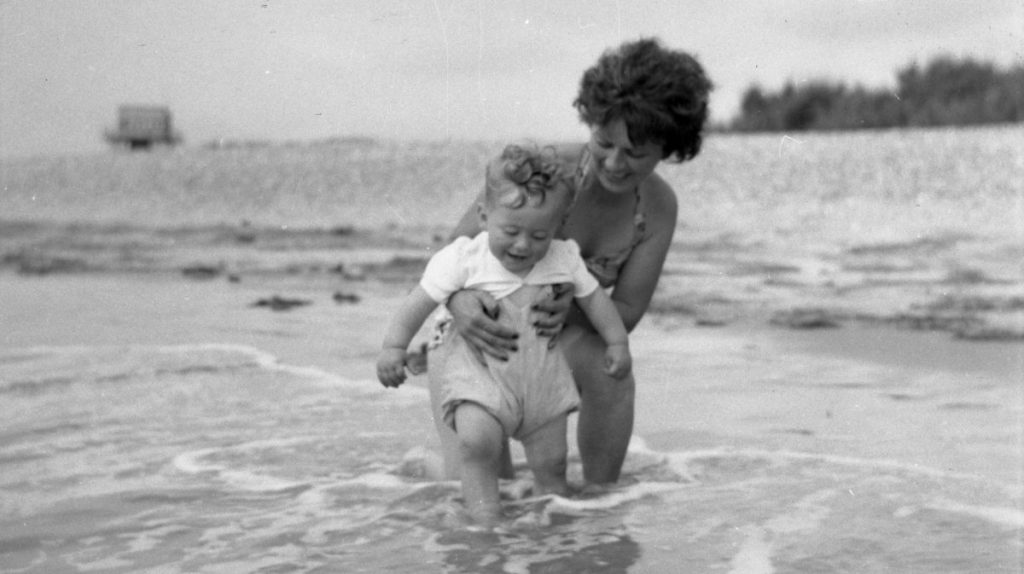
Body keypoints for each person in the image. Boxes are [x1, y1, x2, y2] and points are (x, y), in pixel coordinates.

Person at [439, 37, 713, 487]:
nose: (615, 162)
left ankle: (599, 503)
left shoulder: (659, 207)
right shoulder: (546, 171)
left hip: (557, 335)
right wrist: (462, 306)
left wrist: (572, 309)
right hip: (476, 331)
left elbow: (626, 312)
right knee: (483, 491)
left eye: (636, 152)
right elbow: (452, 251)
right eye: (604, 142)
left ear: (668, 148)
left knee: (613, 369)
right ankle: (422, 472)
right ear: (591, 120)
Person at [376, 143, 632, 524]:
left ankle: (554, 524)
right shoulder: (463, 259)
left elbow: (595, 300)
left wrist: (617, 342)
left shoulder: (562, 258)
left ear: (557, 228)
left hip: (542, 384)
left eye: (539, 235)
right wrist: (394, 347)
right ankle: (485, 522)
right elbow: (418, 303)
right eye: (511, 230)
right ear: (483, 215)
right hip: (480, 377)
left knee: (552, 463)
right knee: (477, 446)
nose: (523, 245)